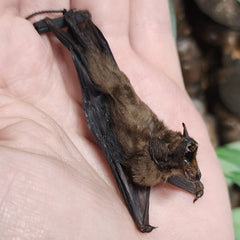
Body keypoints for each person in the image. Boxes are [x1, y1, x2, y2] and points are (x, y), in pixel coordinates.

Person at [0, 0, 234, 239]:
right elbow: (146, 166)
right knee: (95, 70)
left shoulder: (158, 159)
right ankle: (65, 29)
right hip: (106, 98)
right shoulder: (147, 167)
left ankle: (72, 26)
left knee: (105, 67)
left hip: (121, 95)